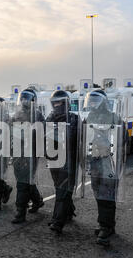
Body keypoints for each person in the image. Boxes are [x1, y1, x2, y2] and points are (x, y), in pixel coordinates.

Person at [83, 90, 126, 245]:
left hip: (108, 162)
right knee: (98, 193)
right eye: (91, 100)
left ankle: (105, 227)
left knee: (106, 194)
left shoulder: (114, 117)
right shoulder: (90, 117)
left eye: (95, 100)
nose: (93, 103)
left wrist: (106, 146)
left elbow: (122, 139)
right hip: (94, 161)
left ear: (103, 101)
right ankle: (108, 224)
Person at [46, 90, 79, 233]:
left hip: (68, 159)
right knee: (60, 188)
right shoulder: (50, 118)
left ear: (66, 103)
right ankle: (69, 211)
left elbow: (76, 139)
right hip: (54, 159)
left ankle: (57, 221)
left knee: (63, 190)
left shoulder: (73, 119)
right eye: (55, 103)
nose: (57, 105)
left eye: (60, 102)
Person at [10, 88, 45, 224]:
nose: (24, 101)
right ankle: (37, 200)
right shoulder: (16, 115)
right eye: (22, 98)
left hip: (31, 152)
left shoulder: (37, 115)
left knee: (22, 183)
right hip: (18, 152)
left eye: (27, 98)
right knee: (24, 180)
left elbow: (40, 134)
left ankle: (20, 211)